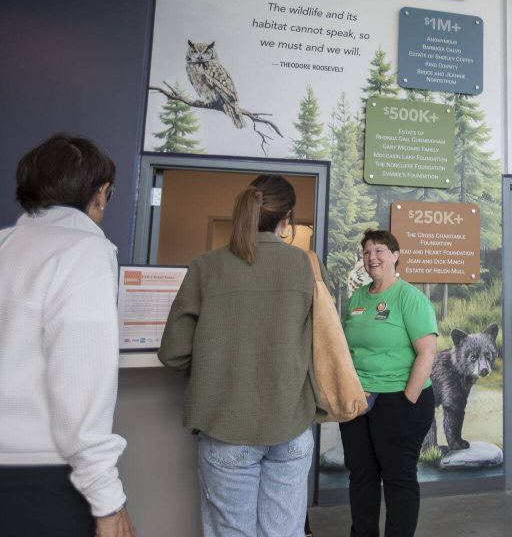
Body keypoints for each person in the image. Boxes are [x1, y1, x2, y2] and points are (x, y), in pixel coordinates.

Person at [159, 174, 322, 537]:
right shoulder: (306, 266)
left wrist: (214, 363)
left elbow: (172, 354)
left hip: (226, 425)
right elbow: (323, 345)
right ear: (288, 218)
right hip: (291, 426)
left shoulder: (206, 266)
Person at [0, 133, 137, 536]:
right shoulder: (85, 252)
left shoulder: (3, 245)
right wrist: (108, 499)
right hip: (42, 482)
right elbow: (80, 388)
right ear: (101, 194)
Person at [340, 229, 438, 537]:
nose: (372, 258)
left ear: (395, 256)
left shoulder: (410, 298)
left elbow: (427, 352)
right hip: (359, 401)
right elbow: (344, 347)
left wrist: (406, 399)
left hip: (399, 402)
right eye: (367, 252)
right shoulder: (357, 297)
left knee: (398, 478)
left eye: (380, 250)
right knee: (361, 476)